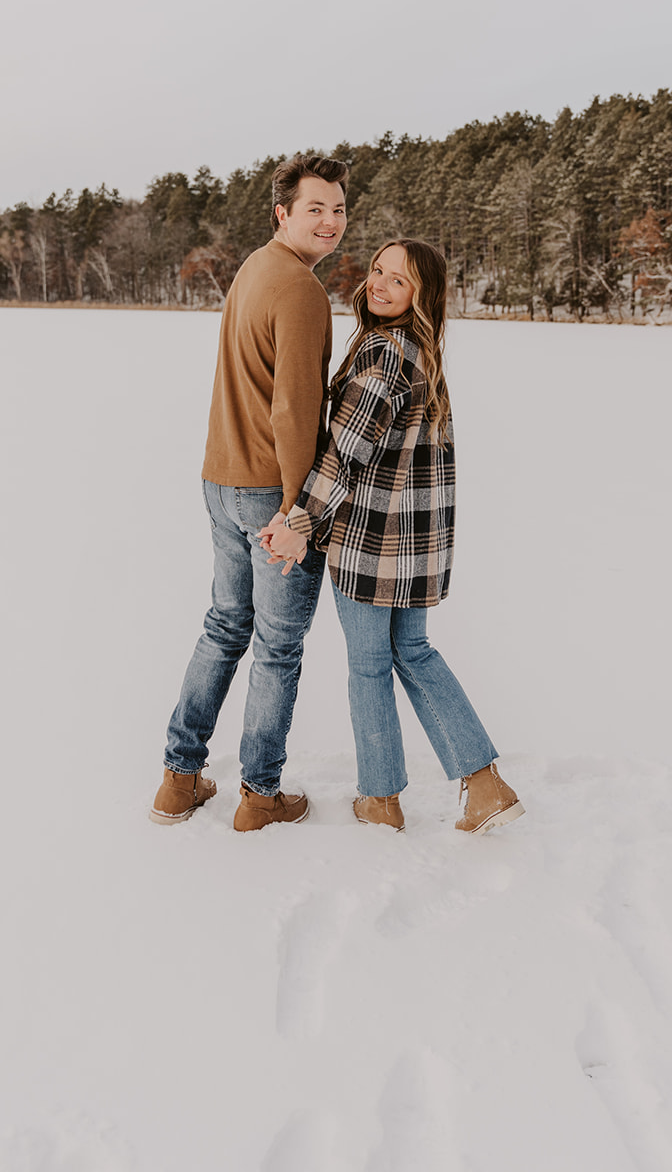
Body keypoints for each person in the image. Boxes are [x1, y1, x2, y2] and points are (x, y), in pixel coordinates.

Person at [261, 239, 524, 835]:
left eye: (397, 281)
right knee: (414, 652)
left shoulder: (383, 356)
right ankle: (485, 784)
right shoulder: (421, 351)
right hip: (418, 543)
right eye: (378, 270)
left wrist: (298, 522)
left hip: (371, 542)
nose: (379, 283)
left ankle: (380, 800)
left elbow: (343, 455)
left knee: (369, 667)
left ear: (421, 296)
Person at [150, 153, 349, 832]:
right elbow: (295, 411)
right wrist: (298, 512)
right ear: (282, 213)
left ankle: (179, 780)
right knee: (275, 646)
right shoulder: (297, 289)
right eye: (314, 208)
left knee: (226, 625)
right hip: (269, 491)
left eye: (339, 208)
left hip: (221, 478)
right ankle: (260, 795)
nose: (329, 221)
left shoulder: (255, 267)